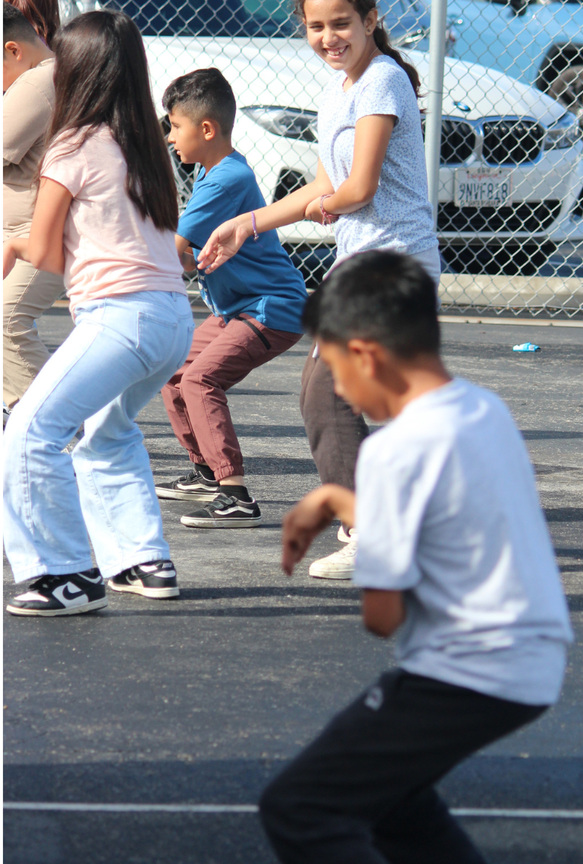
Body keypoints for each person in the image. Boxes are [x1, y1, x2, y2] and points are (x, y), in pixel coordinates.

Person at [261, 251, 573, 864]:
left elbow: (383, 618)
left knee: (300, 808)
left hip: (467, 665)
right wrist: (341, 495)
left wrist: (363, 521)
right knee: (389, 794)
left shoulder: (396, 451)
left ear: (364, 353)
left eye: (330, 366)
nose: (334, 385)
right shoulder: (480, 406)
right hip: (528, 654)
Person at [197, 0, 439, 572]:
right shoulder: (341, 89)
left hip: (392, 264)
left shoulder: (381, 82)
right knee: (330, 392)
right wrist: (245, 224)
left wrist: (330, 203)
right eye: (315, 26)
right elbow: (327, 184)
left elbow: (359, 189)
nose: (328, 36)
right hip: (361, 264)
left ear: (370, 19)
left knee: (327, 392)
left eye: (340, 23)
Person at [2, 9, 193, 616]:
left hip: (120, 318)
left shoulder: (72, 145)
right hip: (170, 319)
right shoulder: (144, 147)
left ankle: (64, 575)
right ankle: (144, 559)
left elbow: (46, 248)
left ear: (74, 74)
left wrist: (11, 242)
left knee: (31, 433)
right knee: (107, 435)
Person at [154, 68, 306, 528]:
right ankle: (205, 472)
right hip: (237, 308)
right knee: (174, 372)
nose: (170, 137)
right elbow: (187, 255)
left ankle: (235, 493)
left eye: (175, 126)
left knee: (200, 380)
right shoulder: (209, 171)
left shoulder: (226, 180)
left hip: (271, 308)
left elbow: (175, 251)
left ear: (206, 129)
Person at [3, 2, 64, 413]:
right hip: (23, 233)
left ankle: (54, 427)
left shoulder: (37, 83)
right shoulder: (45, 76)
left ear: (13, 50)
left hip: (33, 235)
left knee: (7, 321)